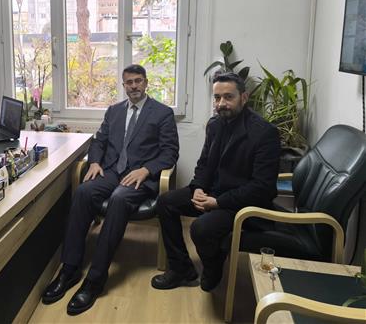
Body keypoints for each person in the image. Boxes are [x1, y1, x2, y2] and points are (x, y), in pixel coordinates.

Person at [42, 64, 179, 315]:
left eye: (138, 81)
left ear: (146, 83)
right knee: (83, 192)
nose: (134, 86)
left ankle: (95, 279)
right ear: (124, 85)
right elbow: (99, 141)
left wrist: (146, 170)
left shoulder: (162, 113)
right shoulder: (114, 111)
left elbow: (170, 152)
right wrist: (95, 162)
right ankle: (69, 269)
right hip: (112, 171)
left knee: (118, 199)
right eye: (129, 82)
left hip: (139, 177)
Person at [151, 72, 281, 292]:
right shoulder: (214, 125)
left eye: (228, 97)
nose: (221, 103)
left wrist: (218, 202)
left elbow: (263, 188)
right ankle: (181, 268)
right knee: (166, 202)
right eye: (217, 98)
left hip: (240, 204)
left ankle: (213, 266)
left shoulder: (265, 133)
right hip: (212, 192)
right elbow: (204, 164)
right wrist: (198, 187)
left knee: (201, 229)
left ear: (244, 97)